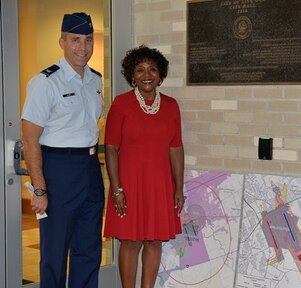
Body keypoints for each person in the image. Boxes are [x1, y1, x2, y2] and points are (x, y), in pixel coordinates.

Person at [21, 12, 104, 288]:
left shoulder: (95, 80)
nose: (83, 47)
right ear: (62, 41)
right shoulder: (46, 82)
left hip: (91, 169)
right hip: (58, 170)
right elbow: (31, 138)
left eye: (88, 40)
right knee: (55, 253)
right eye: (75, 40)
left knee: (89, 250)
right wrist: (40, 189)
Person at [103, 45, 185, 288]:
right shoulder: (121, 104)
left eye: (152, 69)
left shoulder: (171, 106)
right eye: (140, 70)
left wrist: (178, 187)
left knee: (154, 241)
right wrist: (116, 188)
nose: (146, 74)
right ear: (132, 75)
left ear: (160, 74)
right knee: (130, 242)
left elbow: (176, 148)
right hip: (129, 184)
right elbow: (110, 148)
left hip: (160, 184)